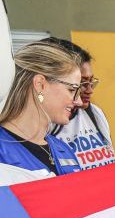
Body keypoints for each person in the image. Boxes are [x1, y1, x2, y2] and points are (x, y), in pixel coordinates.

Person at [0, 41, 82, 177]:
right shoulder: (3, 150)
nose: (78, 101)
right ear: (40, 85)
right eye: (72, 89)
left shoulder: (63, 149)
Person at [44, 38, 115, 170]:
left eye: (91, 81)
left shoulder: (95, 113)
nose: (90, 90)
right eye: (81, 84)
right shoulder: (44, 122)